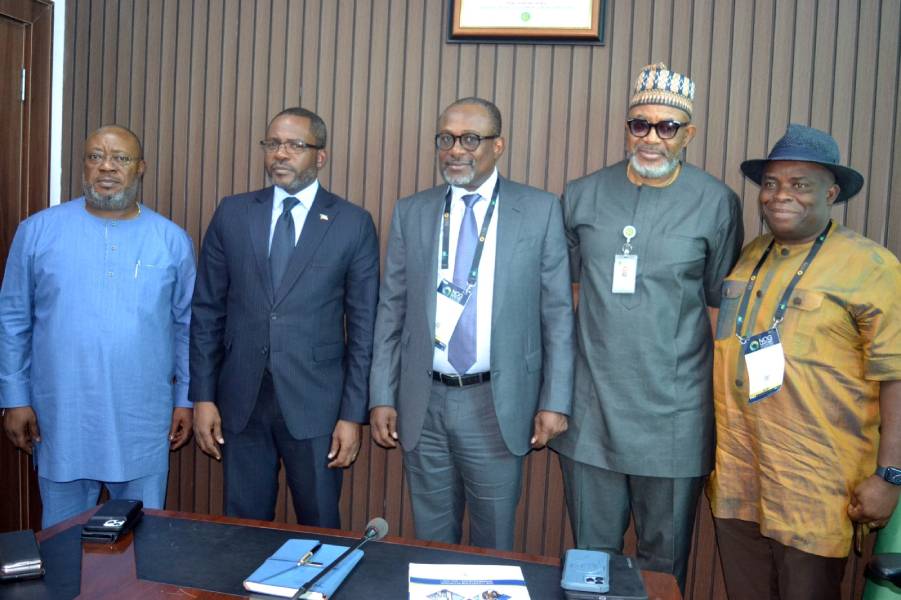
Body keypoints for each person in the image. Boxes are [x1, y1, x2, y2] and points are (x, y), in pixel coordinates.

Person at [550, 63, 744, 589]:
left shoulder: (716, 202)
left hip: (674, 418)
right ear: (627, 126)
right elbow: (565, 301)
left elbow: (716, 311)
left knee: (663, 567)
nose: (652, 138)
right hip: (592, 414)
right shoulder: (583, 194)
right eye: (640, 124)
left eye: (667, 127)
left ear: (689, 134)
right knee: (591, 563)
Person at [369, 97, 575, 551]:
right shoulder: (412, 211)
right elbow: (392, 310)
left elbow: (557, 313)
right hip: (423, 401)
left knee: (494, 541)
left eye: (469, 139)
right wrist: (382, 394)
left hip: (497, 403)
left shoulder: (539, 211)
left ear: (497, 146)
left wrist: (556, 399)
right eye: (446, 138)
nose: (455, 150)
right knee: (431, 539)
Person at [707, 124, 901, 600]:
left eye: (799, 184)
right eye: (771, 184)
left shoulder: (872, 267)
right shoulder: (752, 255)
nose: (779, 196)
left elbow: (897, 377)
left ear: (831, 193)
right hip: (739, 476)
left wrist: (890, 476)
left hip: (815, 488)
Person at [190, 107, 379, 527]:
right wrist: (202, 396)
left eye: (295, 145)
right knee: (243, 527)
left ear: (320, 157)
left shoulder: (352, 223)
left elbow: (365, 329)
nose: (281, 154)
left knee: (320, 528)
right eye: (273, 143)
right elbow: (206, 310)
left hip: (317, 406)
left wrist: (352, 414)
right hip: (241, 402)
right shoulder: (233, 213)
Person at [0, 125, 195, 528]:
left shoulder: (171, 240)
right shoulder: (37, 232)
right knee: (64, 544)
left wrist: (186, 400)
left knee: (142, 544)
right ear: (83, 166)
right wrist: (14, 397)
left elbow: (188, 327)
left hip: (142, 418)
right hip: (62, 416)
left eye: (120, 158)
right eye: (95, 156)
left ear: (140, 168)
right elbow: (14, 318)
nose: (106, 167)